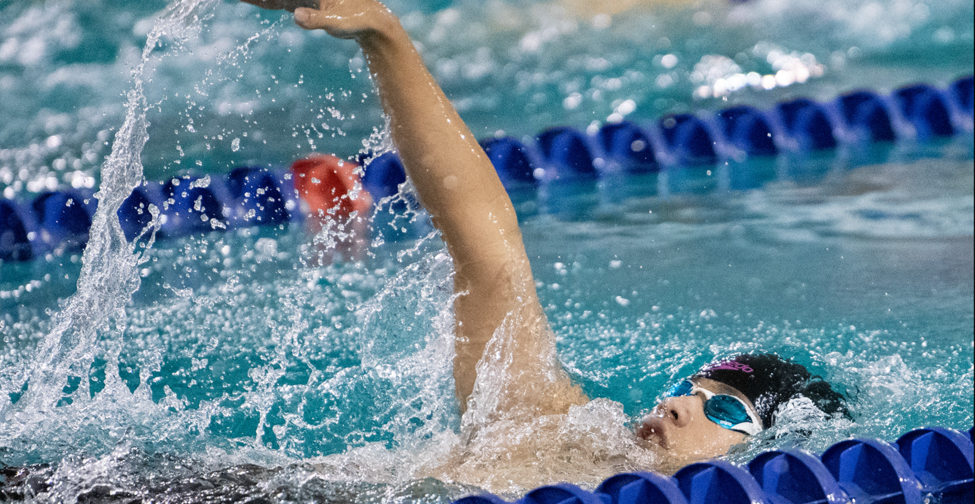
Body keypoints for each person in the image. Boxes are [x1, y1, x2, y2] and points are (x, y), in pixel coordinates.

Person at [239, 0, 848, 479]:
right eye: (691, 391)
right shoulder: (553, 423)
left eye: (722, 411)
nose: (677, 406)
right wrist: (384, 35)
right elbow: (487, 245)